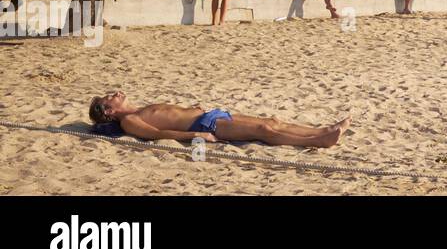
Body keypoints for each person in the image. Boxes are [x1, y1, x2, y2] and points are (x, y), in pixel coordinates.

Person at [89, 91, 349, 147]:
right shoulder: (129, 121)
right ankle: (318, 141)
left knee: (272, 120)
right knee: (263, 129)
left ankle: (323, 130)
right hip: (203, 125)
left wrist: (192, 108)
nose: (114, 93)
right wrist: (194, 135)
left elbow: (172, 113)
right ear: (109, 112)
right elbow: (157, 134)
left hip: (207, 115)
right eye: (108, 98)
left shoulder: (139, 108)